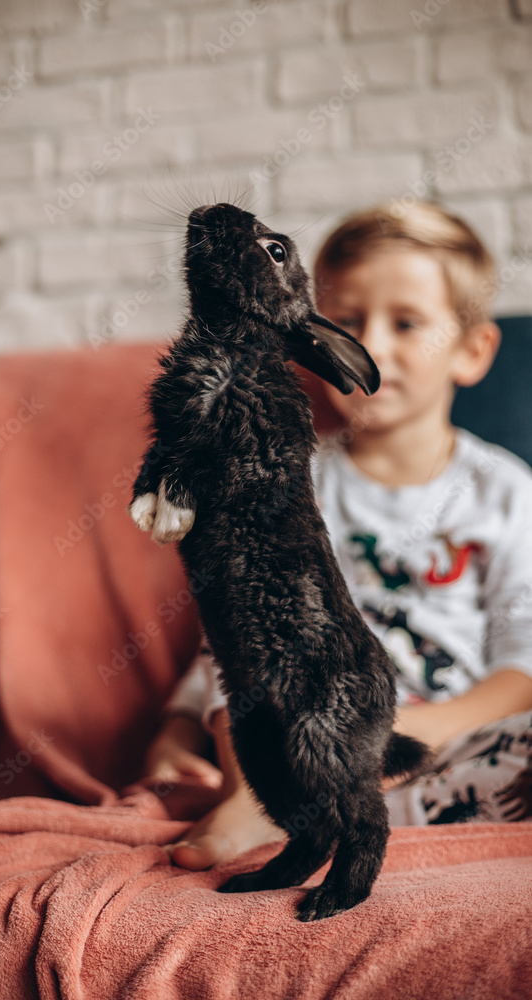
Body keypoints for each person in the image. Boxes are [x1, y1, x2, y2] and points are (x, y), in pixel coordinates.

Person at [144, 201, 532, 871]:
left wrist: (424, 729)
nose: (372, 344)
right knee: (240, 619)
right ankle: (255, 804)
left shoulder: (503, 492)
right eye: (346, 321)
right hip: (293, 738)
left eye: (405, 323)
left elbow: (523, 660)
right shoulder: (286, 468)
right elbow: (227, 633)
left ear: (471, 351)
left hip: (441, 747)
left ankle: (354, 812)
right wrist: (177, 733)